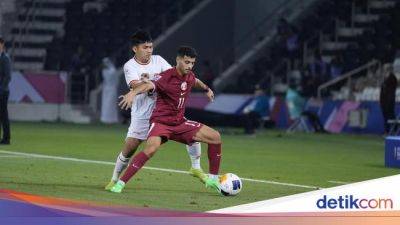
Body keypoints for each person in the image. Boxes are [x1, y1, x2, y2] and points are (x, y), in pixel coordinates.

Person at [111, 46, 221, 194]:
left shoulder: (189, 75)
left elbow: (195, 81)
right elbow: (148, 85)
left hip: (180, 122)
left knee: (215, 137)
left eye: (192, 63)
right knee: (150, 149)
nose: (189, 66)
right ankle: (121, 183)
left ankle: (213, 179)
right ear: (178, 60)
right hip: (161, 123)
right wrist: (132, 93)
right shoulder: (166, 77)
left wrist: (207, 89)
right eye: (186, 62)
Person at [100, 57, 119, 124]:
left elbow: (115, 80)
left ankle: (111, 119)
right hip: (106, 90)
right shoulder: (105, 71)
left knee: (110, 104)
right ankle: (105, 118)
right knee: (106, 104)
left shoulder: (112, 71)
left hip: (112, 89)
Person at [379, 64, 397, 134]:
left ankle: (394, 130)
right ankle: (387, 130)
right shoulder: (384, 78)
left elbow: (391, 90)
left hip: (389, 101)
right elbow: (382, 90)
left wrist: (389, 101)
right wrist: (381, 100)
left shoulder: (393, 78)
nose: (385, 70)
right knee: (385, 116)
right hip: (384, 101)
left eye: (386, 69)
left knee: (391, 116)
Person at [0, 37, 11, 145]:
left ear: (2, 44)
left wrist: (1, 89)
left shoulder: (5, 58)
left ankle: (6, 138)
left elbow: (7, 76)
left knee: (3, 115)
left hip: (3, 91)